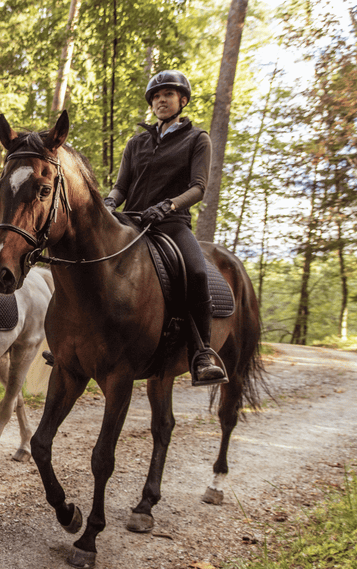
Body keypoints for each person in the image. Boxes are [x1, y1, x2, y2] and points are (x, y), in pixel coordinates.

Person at [104, 69, 228, 386]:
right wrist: (107, 203)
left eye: (168, 95)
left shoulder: (197, 139)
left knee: (197, 272)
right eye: (157, 96)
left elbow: (199, 188)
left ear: (182, 100)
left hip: (171, 223)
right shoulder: (136, 143)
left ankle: (201, 352)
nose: (161, 100)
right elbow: (121, 187)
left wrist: (169, 205)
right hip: (131, 220)